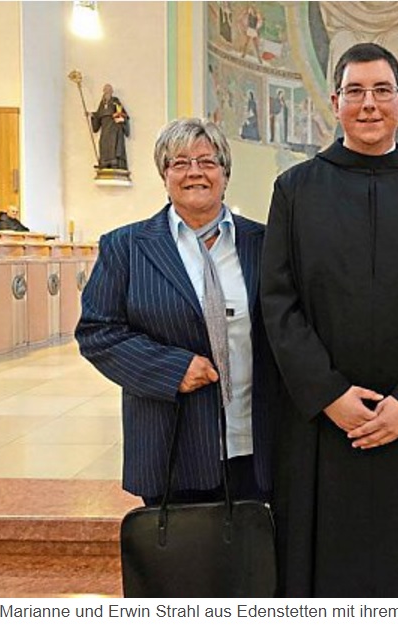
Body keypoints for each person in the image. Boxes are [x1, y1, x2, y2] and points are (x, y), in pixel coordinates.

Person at [261, 43, 398, 598]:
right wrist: (328, 394)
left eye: (382, 91)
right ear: (334, 102)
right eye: (355, 91)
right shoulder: (295, 189)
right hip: (322, 423)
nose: (369, 104)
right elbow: (277, 301)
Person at [76, 118, 275, 512]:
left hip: (256, 440)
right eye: (180, 163)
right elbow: (97, 332)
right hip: (172, 442)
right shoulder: (127, 246)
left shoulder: (264, 242)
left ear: (225, 173)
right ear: (164, 174)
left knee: (253, 565)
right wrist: (173, 368)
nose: (195, 172)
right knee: (182, 568)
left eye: (207, 161)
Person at [91, 84, 130, 170]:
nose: (106, 92)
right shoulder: (102, 104)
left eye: (108, 90)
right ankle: (104, 162)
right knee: (103, 144)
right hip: (105, 130)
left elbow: (123, 115)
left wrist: (121, 119)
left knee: (114, 145)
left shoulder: (116, 102)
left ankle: (114, 162)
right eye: (105, 90)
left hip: (114, 130)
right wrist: (92, 115)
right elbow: (98, 116)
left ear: (111, 92)